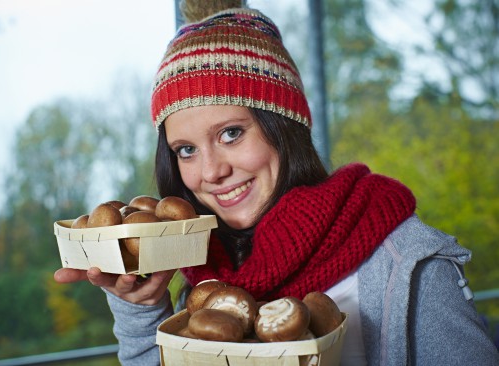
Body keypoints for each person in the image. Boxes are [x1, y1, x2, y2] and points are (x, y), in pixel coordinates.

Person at [54, 1, 499, 365]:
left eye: (231, 133)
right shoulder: (210, 276)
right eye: (186, 149)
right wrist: (143, 308)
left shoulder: (405, 265)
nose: (210, 172)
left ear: (284, 128)